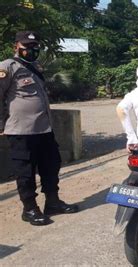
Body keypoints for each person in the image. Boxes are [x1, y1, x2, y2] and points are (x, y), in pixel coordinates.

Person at [0, 31, 79, 226]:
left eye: (35, 46)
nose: (32, 50)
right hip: (20, 131)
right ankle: (29, 209)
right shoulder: (7, 67)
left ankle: (52, 202)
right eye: (27, 46)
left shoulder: (35, 67)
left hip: (44, 128)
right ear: (16, 46)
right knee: (25, 171)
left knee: (51, 165)